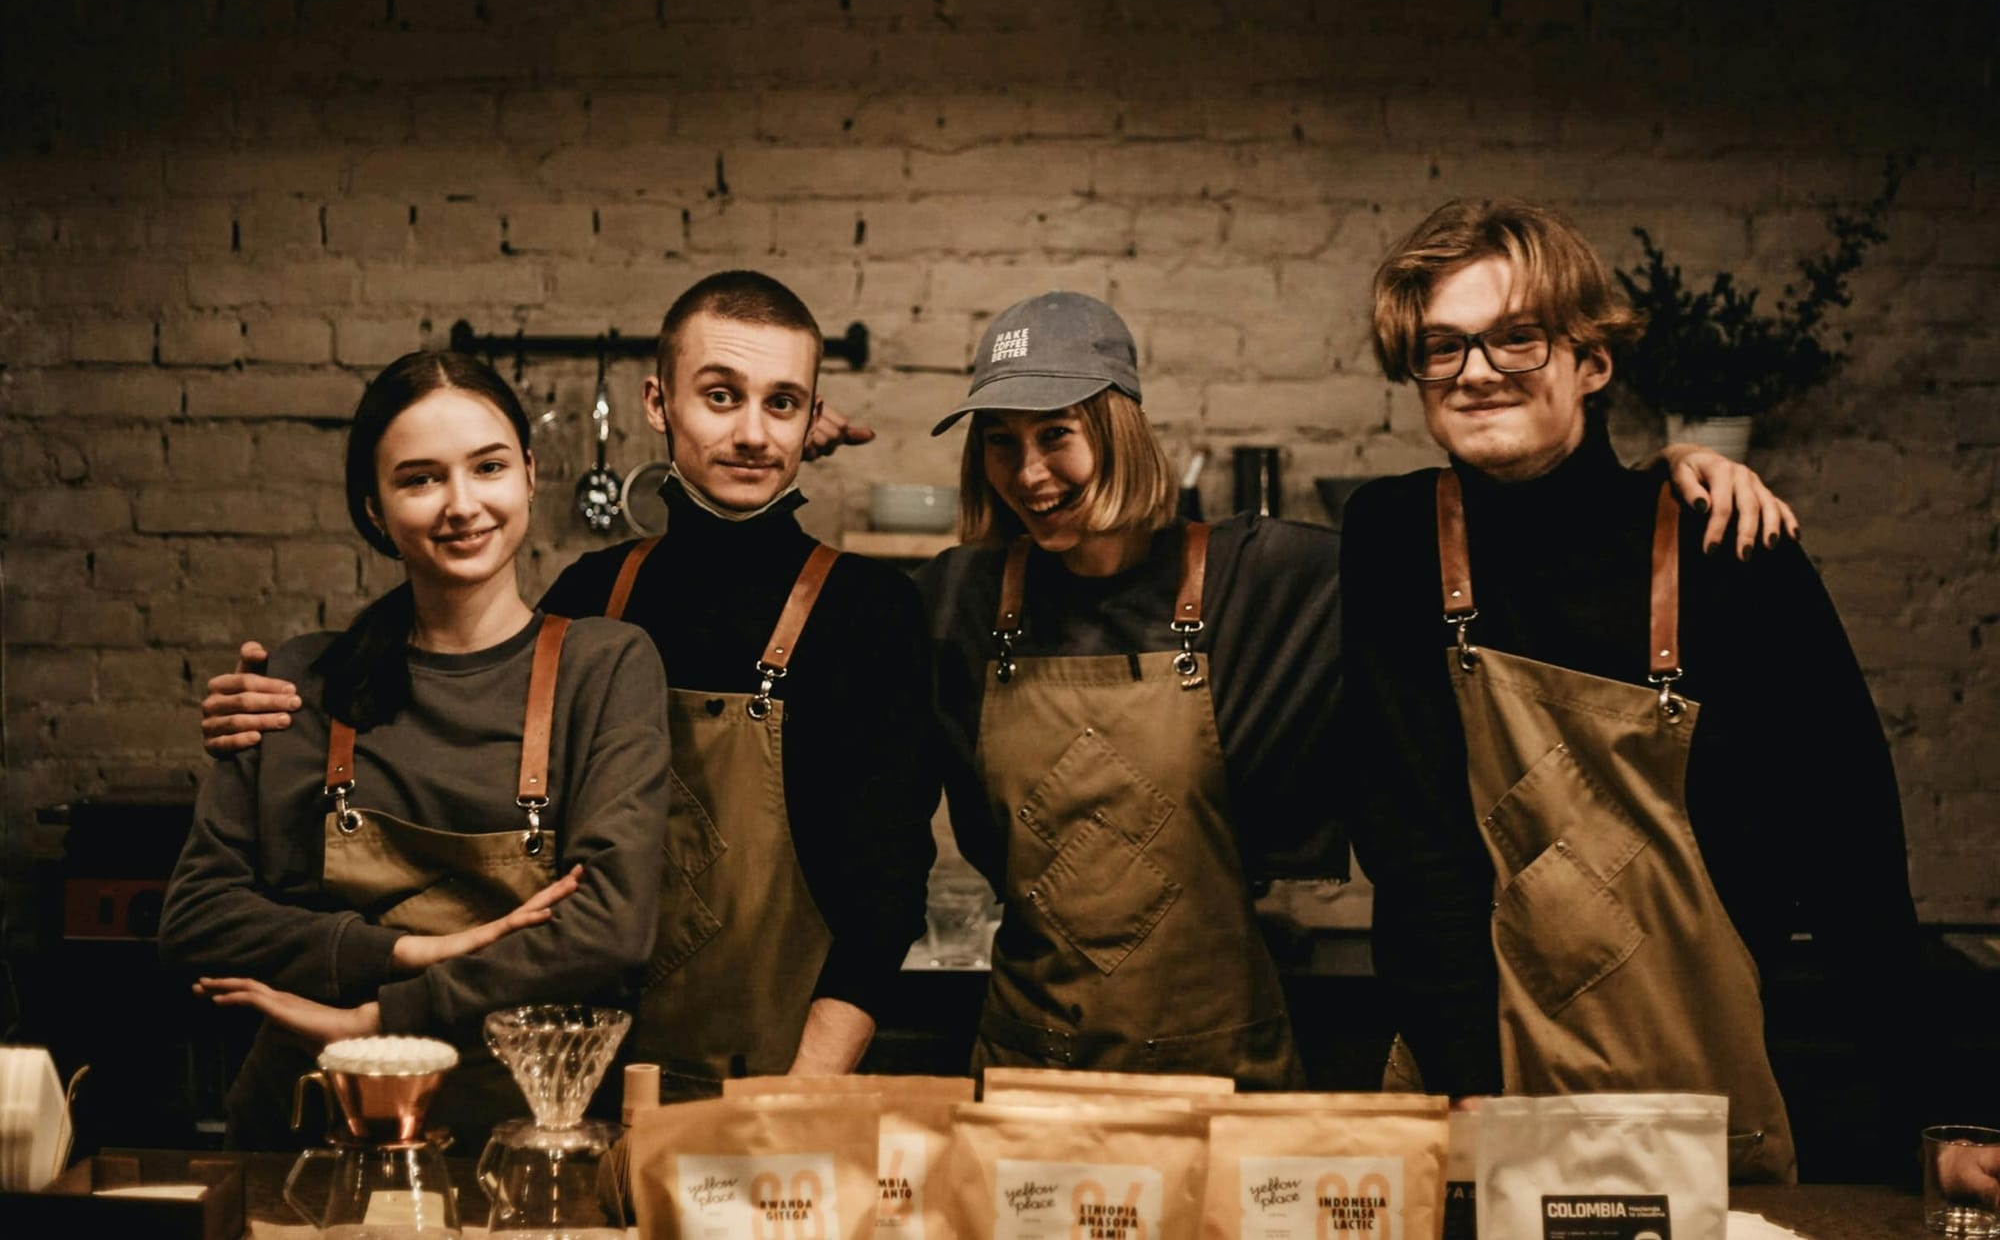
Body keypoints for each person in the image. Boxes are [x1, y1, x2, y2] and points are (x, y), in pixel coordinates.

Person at [915, 291, 1784, 1090]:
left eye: (1056, 435)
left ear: (1120, 427)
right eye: (1001, 442)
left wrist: (1662, 479)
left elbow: (1509, 546)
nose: (1029, 473)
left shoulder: (1260, 576)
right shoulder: (956, 598)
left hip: (1224, 1075)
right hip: (1024, 1072)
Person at [198, 271, 937, 1101]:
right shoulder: (592, 598)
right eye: (721, 397)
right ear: (659, 405)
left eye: (783, 404)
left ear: (811, 418)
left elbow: (888, 890)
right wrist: (284, 711)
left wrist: (804, 1092)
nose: (754, 434)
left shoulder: (870, 613)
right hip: (561, 1071)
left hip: (761, 1076)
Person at [1337, 199, 1919, 1182]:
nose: (1475, 372)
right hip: (1476, 1087)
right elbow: (1412, 848)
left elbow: (1850, 842)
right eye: (1442, 347)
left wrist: (1939, 1113)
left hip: (1692, 1099)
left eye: (1514, 339)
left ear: (1591, 363)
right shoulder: (1392, 539)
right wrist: (1477, 1102)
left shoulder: (1725, 544)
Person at [160, 349, 672, 1147]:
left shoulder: (604, 669)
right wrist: (409, 950)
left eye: (489, 467)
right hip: (305, 1135)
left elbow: (607, 928)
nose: (462, 505)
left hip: (520, 1142)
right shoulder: (301, 682)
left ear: (531, 474)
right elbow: (198, 918)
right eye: (421, 478)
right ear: (374, 506)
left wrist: (375, 1018)